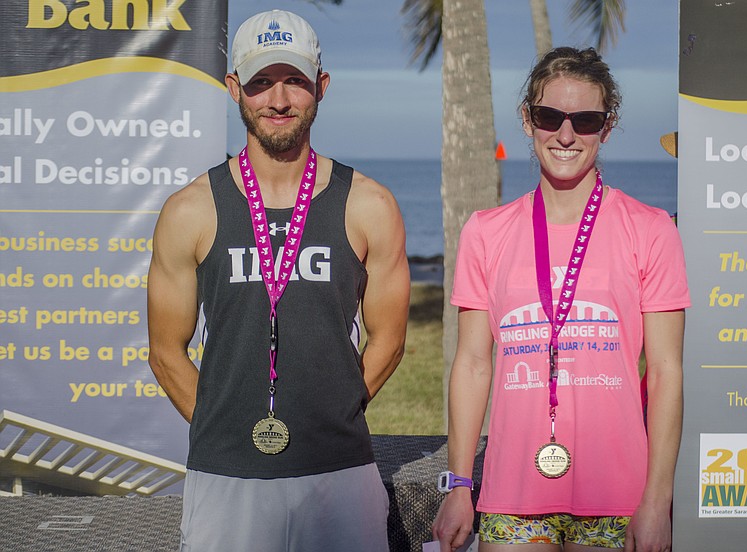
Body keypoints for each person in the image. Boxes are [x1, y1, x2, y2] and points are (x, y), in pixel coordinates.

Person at [146, 9, 409, 551]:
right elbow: (165, 351)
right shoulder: (191, 209)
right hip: (226, 477)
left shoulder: (369, 205)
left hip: (338, 471)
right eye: (262, 82)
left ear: (322, 87)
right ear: (234, 87)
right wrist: (227, 422)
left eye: (295, 81)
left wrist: (332, 412)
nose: (279, 100)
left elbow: (389, 338)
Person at [432, 47, 690, 552]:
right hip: (512, 491)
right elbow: (471, 364)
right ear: (528, 119)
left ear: (607, 127)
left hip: (618, 496)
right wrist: (459, 485)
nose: (566, 135)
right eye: (551, 116)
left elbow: (665, 372)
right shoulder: (486, 232)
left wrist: (657, 500)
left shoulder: (651, 229)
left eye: (586, 120)